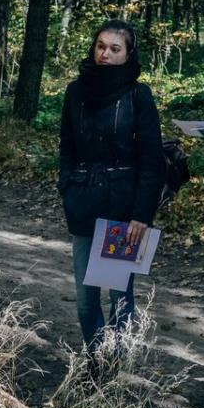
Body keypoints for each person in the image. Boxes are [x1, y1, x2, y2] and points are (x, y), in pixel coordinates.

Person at [57, 20, 164, 365]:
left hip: (122, 208)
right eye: (100, 46)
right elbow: (67, 147)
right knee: (86, 297)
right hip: (84, 200)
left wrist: (141, 215)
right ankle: (96, 360)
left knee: (118, 293)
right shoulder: (76, 91)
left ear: (128, 54)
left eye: (114, 48)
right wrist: (68, 186)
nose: (105, 53)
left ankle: (116, 363)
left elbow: (152, 159)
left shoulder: (137, 94)